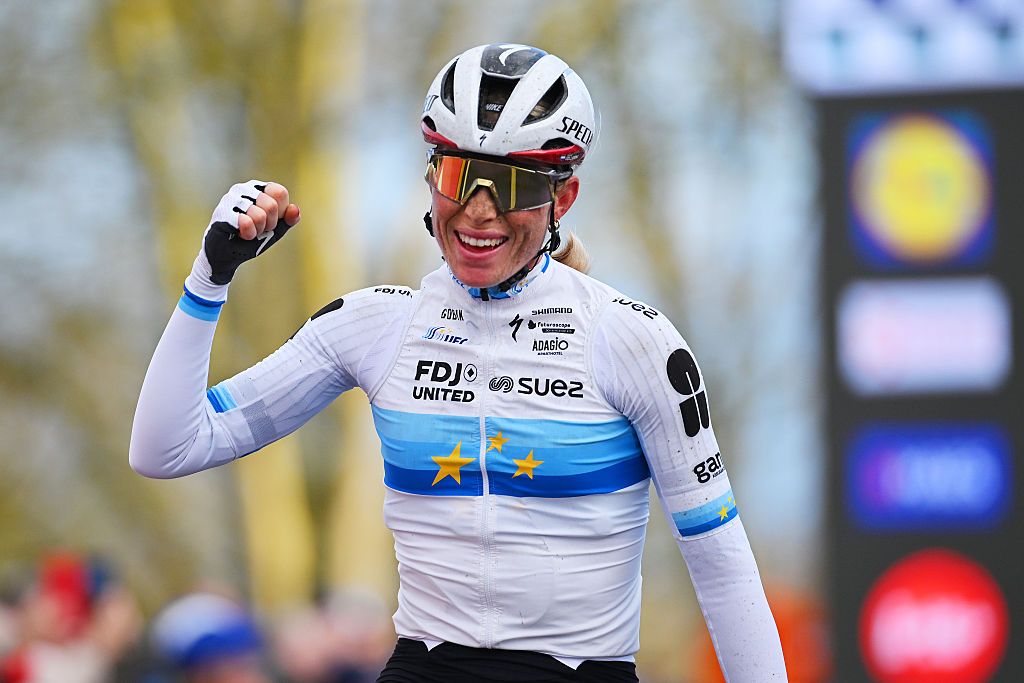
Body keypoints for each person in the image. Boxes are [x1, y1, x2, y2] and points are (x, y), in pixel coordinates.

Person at [130, 43, 787, 682]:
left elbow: (720, 562)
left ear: (563, 198)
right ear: (430, 176)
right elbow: (165, 448)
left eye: (511, 184)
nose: (478, 210)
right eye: (457, 176)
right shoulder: (377, 324)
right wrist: (208, 280)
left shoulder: (631, 340)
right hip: (426, 664)